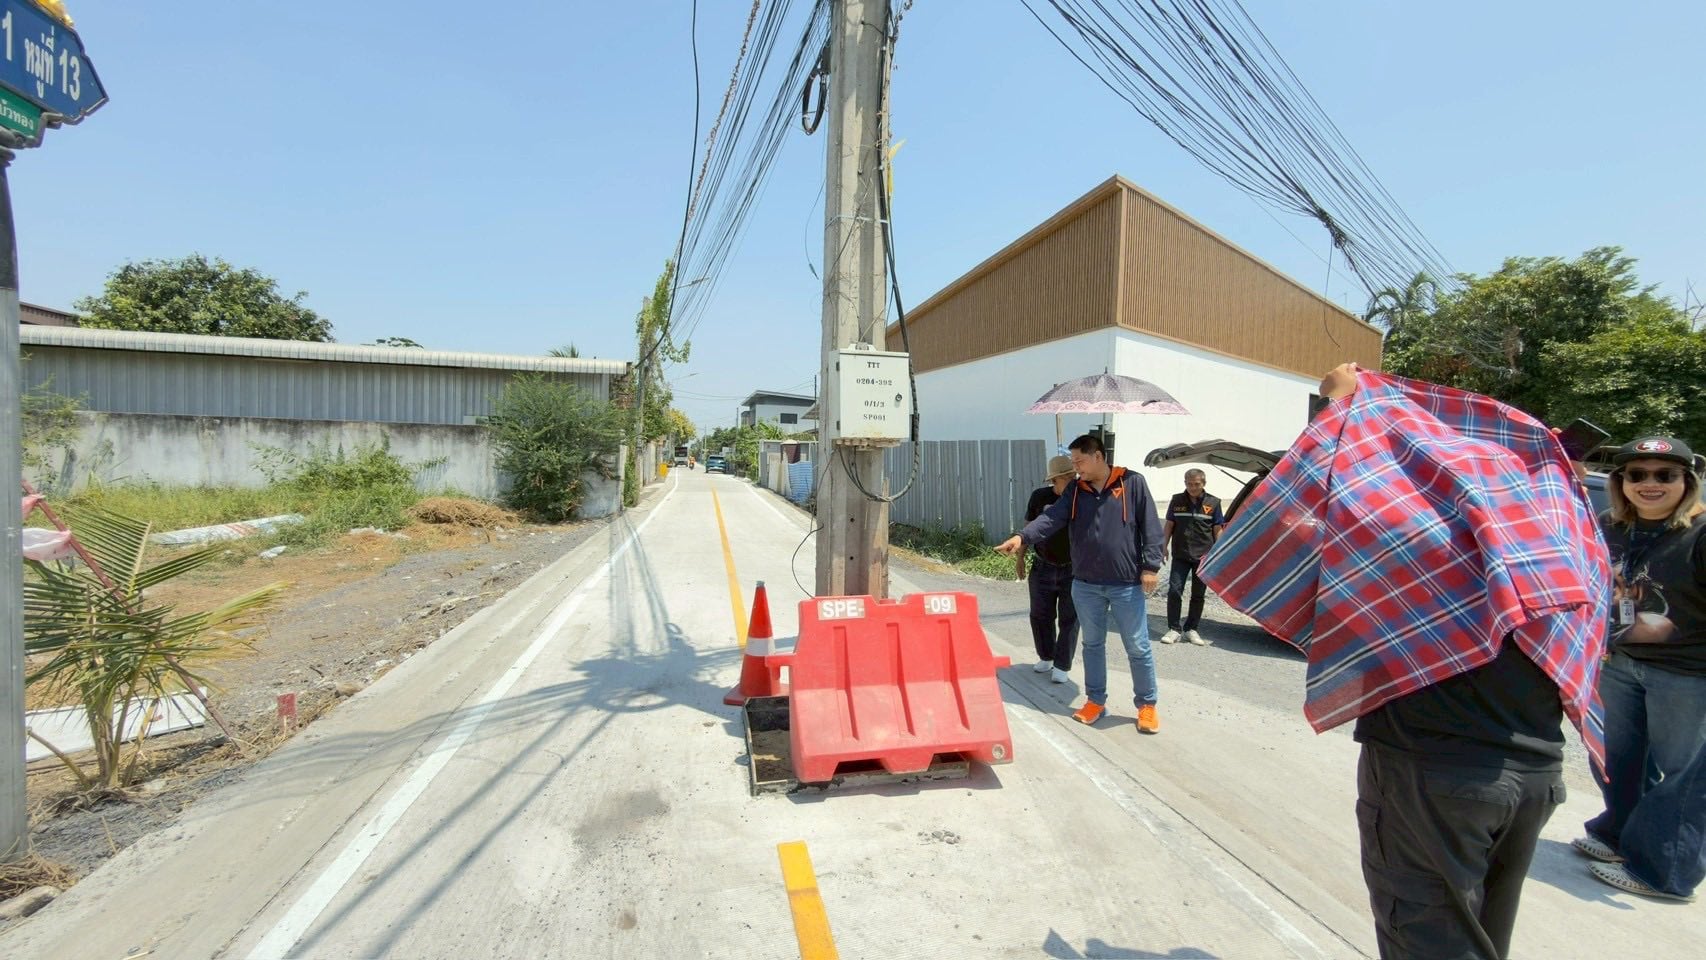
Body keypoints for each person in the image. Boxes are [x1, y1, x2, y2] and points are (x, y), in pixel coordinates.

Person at [1201, 364, 1609, 960]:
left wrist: (1345, 405)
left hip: (1433, 776)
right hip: (1534, 776)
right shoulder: (1561, 539)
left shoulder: (1424, 546)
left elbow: (1294, 507)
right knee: (1480, 940)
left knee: (1427, 943)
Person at [1573, 435, 1706, 903]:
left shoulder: (1700, 533)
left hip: (1687, 673)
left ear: (1687, 482)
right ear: (1621, 481)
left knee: (1686, 777)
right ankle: (1619, 836)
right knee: (1618, 761)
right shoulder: (1609, 525)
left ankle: (1664, 873)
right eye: (1637, 474)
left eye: (1665, 475)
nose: (1650, 483)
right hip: (1620, 662)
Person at [996, 434, 1164, 733]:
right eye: (1073, 462)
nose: (1076, 468)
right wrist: (1022, 537)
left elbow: (1151, 526)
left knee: (1137, 646)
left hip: (1125, 584)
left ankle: (1147, 705)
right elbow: (1051, 519)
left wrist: (1150, 566)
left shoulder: (1132, 483)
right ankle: (1095, 701)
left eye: (1079, 461)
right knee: (1092, 645)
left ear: (1098, 456)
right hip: (1086, 583)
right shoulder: (1076, 490)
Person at [1022, 455, 1079, 684]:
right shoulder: (1040, 497)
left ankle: (1062, 665)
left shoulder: (1081, 498)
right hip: (1042, 566)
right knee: (1040, 615)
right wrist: (1020, 558)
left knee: (1070, 618)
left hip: (1072, 569)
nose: (1073, 481)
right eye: (1066, 478)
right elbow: (1029, 527)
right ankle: (1046, 656)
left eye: (1073, 476)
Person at [1158, 468, 1224, 646]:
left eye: (1196, 484)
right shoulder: (1177, 500)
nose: (1193, 487)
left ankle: (1191, 629)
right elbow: (1169, 525)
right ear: (1185, 483)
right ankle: (1174, 629)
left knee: (1198, 595)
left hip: (1203, 557)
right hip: (1181, 554)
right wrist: (1163, 546)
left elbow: (1217, 529)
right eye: (1189, 484)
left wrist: (1219, 553)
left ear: (1203, 483)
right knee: (1174, 591)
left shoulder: (1214, 502)